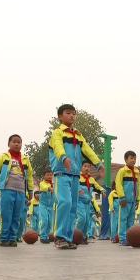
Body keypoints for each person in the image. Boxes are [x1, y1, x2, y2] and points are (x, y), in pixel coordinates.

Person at [48, 104, 102, 249]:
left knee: (72, 207)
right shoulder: (57, 133)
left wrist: (98, 163)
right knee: (64, 203)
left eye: (74, 113)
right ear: (60, 116)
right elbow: (58, 146)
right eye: (68, 113)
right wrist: (64, 157)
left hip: (75, 176)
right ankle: (59, 236)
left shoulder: (78, 135)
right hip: (61, 174)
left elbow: (87, 149)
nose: (72, 116)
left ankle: (68, 237)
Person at [0, 135, 34, 247]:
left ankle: (13, 238)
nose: (16, 144)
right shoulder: (4, 157)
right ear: (9, 144)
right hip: (6, 189)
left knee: (17, 215)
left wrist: (30, 190)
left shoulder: (25, 159)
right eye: (14, 142)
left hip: (21, 191)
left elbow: (29, 176)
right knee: (6, 214)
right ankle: (4, 238)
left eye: (19, 142)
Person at [116, 151, 140, 246]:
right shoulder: (122, 171)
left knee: (131, 220)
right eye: (131, 158)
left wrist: (138, 199)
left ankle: (130, 238)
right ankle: (122, 239)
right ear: (126, 159)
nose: (133, 160)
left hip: (133, 200)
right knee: (123, 219)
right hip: (124, 200)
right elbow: (118, 184)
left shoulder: (137, 172)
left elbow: (138, 186)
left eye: (135, 158)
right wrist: (122, 197)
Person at [77, 162, 104, 244]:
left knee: (87, 221)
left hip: (88, 203)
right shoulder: (78, 177)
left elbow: (97, 186)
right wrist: (78, 189)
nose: (87, 168)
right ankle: (76, 235)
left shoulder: (91, 179)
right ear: (81, 167)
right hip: (79, 201)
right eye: (85, 166)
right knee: (82, 218)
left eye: (89, 167)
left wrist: (102, 190)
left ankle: (83, 237)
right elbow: (74, 184)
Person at [37, 170, 54, 243]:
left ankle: (47, 236)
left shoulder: (54, 184)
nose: (49, 176)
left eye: (51, 175)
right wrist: (50, 188)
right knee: (44, 220)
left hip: (51, 207)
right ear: (44, 176)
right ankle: (43, 236)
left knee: (50, 222)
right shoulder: (42, 183)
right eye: (47, 175)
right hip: (43, 205)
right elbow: (44, 188)